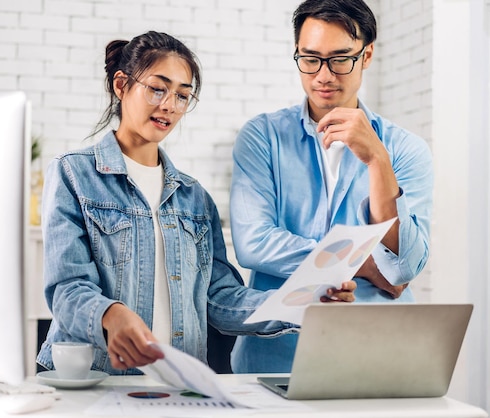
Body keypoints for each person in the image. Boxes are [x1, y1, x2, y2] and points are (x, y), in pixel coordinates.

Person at [35, 30, 357, 376]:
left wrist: (303, 304)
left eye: (182, 95)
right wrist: (111, 314)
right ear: (121, 85)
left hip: (177, 385)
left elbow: (221, 298)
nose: (169, 105)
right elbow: (67, 288)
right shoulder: (74, 173)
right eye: (157, 88)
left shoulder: (194, 198)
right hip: (92, 380)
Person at [229, 0, 433, 374]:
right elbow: (253, 243)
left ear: (367, 54)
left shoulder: (405, 149)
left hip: (378, 353)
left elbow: (404, 267)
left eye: (340, 59)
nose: (323, 75)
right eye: (310, 58)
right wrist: (366, 265)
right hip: (277, 354)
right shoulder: (262, 137)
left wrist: (377, 161)